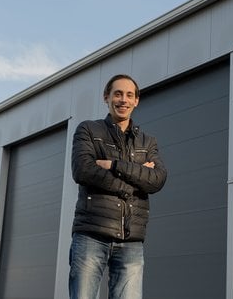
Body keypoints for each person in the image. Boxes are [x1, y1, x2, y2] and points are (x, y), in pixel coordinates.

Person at [69, 74, 167, 299]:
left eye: (129, 95)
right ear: (107, 97)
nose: (123, 100)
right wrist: (135, 179)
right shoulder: (88, 130)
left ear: (136, 101)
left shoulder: (148, 141)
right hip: (91, 235)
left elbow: (157, 180)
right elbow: (83, 170)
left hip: (131, 240)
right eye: (118, 94)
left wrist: (114, 165)